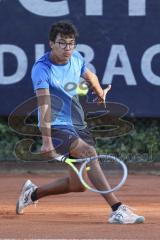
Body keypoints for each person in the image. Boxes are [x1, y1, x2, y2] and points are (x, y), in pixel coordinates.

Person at [16, 21, 145, 224]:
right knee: (88, 152)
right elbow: (44, 106)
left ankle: (32, 194)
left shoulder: (76, 57)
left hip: (77, 124)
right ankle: (117, 208)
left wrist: (99, 91)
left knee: (77, 185)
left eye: (71, 43)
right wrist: (47, 141)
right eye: (62, 43)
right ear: (51, 43)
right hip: (56, 125)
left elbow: (89, 74)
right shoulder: (41, 69)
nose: (67, 48)